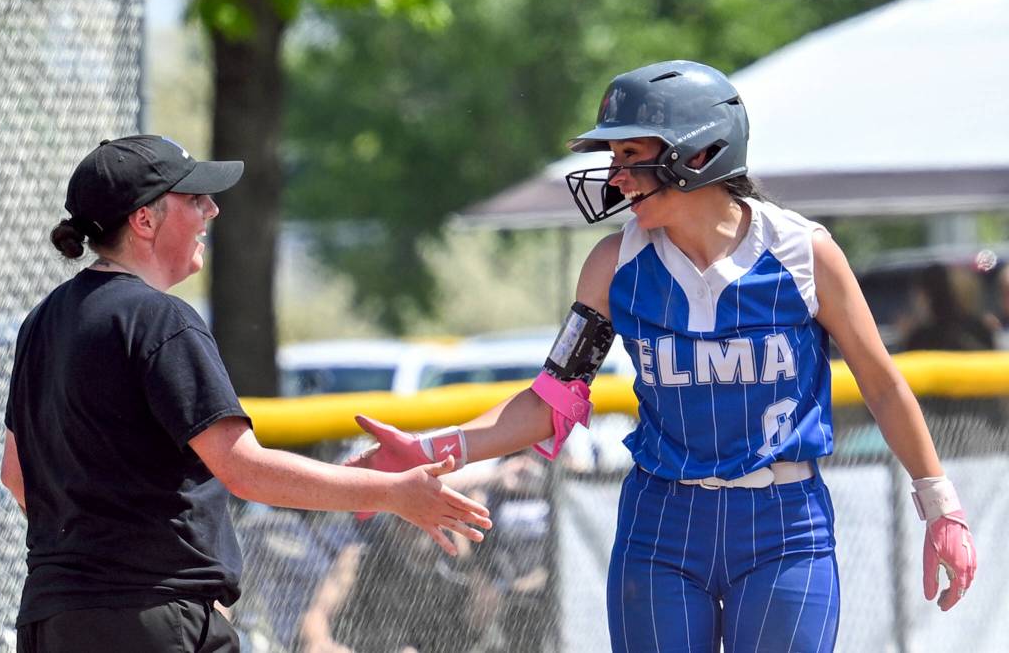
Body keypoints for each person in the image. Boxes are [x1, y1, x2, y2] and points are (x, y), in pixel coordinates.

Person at [346, 62, 977, 652]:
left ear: (700, 152)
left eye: (630, 155)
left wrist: (941, 507)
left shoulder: (803, 253)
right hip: (663, 524)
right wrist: (430, 451)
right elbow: (551, 402)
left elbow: (883, 385)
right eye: (613, 159)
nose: (615, 176)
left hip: (785, 525)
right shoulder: (613, 264)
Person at [0, 135, 491, 653]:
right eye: (194, 199)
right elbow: (243, 469)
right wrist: (390, 493)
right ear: (144, 220)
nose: (211, 209)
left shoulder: (44, 321)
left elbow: (16, 475)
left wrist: (99, 553)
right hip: (147, 618)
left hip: (53, 617)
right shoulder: (158, 319)